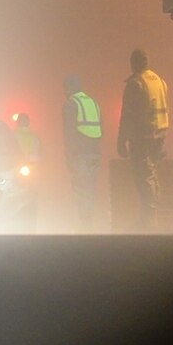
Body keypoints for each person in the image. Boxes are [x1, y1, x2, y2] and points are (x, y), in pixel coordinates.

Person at [118, 48, 170, 231]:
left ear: (134, 63)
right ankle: (151, 215)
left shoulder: (136, 83)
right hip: (159, 136)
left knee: (143, 176)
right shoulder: (160, 81)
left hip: (142, 136)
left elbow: (127, 115)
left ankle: (149, 220)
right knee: (151, 172)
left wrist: (121, 140)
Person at [62, 75, 104, 231]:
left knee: (81, 189)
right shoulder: (94, 103)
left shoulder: (70, 104)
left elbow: (69, 134)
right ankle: (90, 223)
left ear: (68, 88)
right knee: (91, 188)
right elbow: (102, 131)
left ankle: (84, 227)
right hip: (95, 153)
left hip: (80, 155)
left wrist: (68, 157)